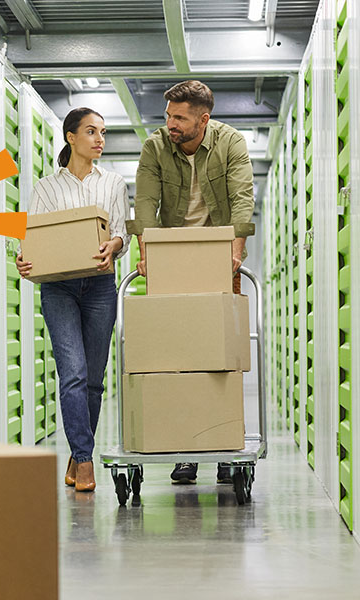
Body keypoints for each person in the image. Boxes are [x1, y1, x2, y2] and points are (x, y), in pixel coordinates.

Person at [128, 80, 256, 485]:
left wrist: (235, 251)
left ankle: (221, 444)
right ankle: (186, 450)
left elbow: (242, 197)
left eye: (179, 118)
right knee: (176, 361)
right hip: (171, 258)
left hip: (218, 255)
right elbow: (145, 202)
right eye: (168, 116)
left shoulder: (231, 143)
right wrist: (145, 253)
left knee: (221, 361)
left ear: (203, 119)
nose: (170, 124)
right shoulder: (155, 147)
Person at [16, 107, 131, 492]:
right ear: (70, 138)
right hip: (60, 288)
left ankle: (76, 452)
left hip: (100, 286)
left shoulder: (113, 183)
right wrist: (24, 259)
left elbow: (120, 234)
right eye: (91, 132)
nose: (100, 139)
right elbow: (35, 238)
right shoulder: (47, 188)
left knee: (94, 382)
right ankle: (85, 461)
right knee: (74, 375)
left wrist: (113, 245)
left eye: (103, 132)